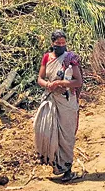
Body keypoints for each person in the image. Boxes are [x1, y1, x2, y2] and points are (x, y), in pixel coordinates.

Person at [34, 30, 83, 182]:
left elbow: (78, 81)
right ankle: (54, 164)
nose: (61, 46)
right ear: (52, 43)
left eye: (63, 43)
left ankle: (67, 168)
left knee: (66, 135)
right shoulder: (47, 57)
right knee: (46, 130)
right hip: (51, 99)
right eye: (58, 43)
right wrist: (48, 84)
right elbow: (40, 78)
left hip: (67, 102)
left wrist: (61, 83)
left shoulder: (70, 59)